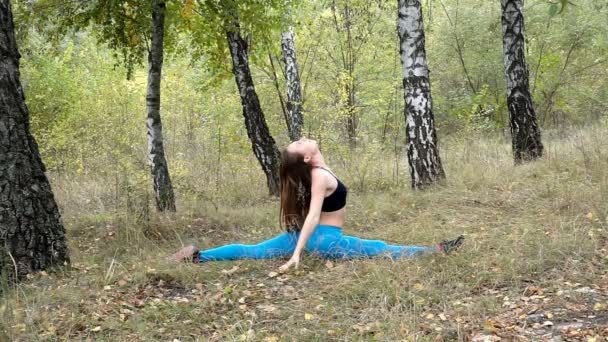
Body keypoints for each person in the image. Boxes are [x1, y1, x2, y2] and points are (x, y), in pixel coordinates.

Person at [170, 137, 464, 272]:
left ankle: (198, 256)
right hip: (322, 240)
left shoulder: (313, 173)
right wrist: (298, 254)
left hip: (302, 237)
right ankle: (435, 251)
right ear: (307, 158)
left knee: (254, 251)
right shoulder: (320, 175)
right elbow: (312, 216)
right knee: (379, 248)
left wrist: (297, 245)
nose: (301, 139)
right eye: (298, 145)